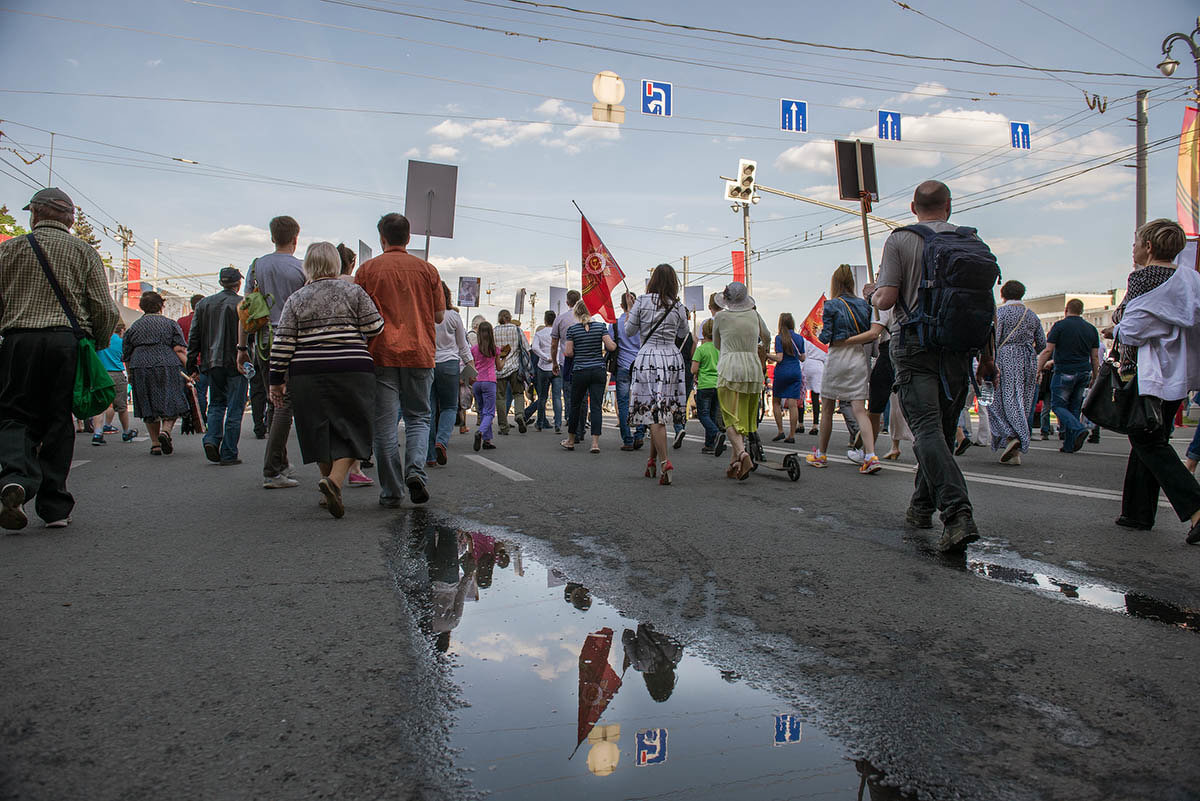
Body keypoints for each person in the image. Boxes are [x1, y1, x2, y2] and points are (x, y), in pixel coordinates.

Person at [872, 180, 995, 553]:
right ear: (949, 206)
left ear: (913, 207)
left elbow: (888, 297)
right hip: (958, 349)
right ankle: (921, 506)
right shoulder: (972, 242)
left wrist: (872, 293)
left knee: (926, 430)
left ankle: (957, 512)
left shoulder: (901, 240)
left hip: (914, 345)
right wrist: (987, 358)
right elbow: (983, 306)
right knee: (940, 430)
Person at [0, 187, 121, 530]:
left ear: (34, 215)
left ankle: (15, 479)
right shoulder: (83, 251)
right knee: (57, 418)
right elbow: (103, 308)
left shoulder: (8, 250)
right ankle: (54, 506)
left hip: (17, 341)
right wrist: (94, 344)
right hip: (65, 344)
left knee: (13, 415)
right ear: (70, 219)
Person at [268, 242, 383, 518]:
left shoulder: (296, 298)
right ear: (336, 264)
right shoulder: (354, 291)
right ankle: (334, 481)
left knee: (316, 428)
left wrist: (276, 380)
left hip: (307, 372)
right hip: (352, 369)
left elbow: (283, 341)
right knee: (356, 425)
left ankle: (329, 486)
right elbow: (374, 326)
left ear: (308, 265)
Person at [1109, 219, 1200, 543]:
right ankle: (1137, 513)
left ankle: (1196, 507)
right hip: (1182, 368)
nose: (1132, 249)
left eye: (1135, 243)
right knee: (1151, 432)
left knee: (1147, 438)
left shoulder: (1145, 277)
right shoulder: (1191, 278)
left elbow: (1131, 325)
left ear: (1148, 247)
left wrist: (1115, 328)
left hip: (1151, 370)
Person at [355, 213, 445, 507]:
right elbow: (439, 315)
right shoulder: (427, 270)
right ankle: (416, 471)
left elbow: (358, 317)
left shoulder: (367, 270)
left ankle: (391, 491)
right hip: (419, 352)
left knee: (384, 426)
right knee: (419, 417)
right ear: (408, 238)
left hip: (380, 353)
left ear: (382, 238)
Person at [238, 215, 307, 489]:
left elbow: (247, 309)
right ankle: (272, 470)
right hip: (293, 341)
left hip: (263, 341)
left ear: (271, 237)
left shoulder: (257, 266)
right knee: (285, 403)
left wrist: (242, 347)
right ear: (295, 238)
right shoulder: (301, 269)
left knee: (273, 399)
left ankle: (280, 462)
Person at [807, 266, 883, 475]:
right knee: (860, 409)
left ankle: (821, 454)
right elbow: (869, 332)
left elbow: (827, 338)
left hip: (838, 358)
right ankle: (870, 455)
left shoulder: (831, 305)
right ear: (851, 283)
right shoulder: (864, 305)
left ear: (835, 283)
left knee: (828, 409)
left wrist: (820, 332)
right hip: (858, 357)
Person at [627, 265, 690, 484]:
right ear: (674, 282)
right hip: (672, 358)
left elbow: (629, 331)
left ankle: (665, 462)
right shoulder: (678, 306)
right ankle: (651, 462)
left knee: (654, 413)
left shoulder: (642, 302)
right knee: (659, 410)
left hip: (648, 359)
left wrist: (630, 310)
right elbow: (684, 333)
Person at [186, 267, 249, 465]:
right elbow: (250, 333)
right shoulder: (242, 304)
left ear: (221, 283)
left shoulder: (204, 304)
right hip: (237, 362)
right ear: (238, 283)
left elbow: (194, 335)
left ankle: (212, 439)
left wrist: (191, 364)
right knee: (235, 407)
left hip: (211, 362)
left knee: (216, 404)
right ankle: (229, 452)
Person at [712, 281, 772, 481]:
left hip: (729, 366)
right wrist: (764, 348)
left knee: (729, 418)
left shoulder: (721, 317)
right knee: (744, 418)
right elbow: (767, 336)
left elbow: (717, 344)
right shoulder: (755, 315)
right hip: (752, 367)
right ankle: (735, 463)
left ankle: (743, 454)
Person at [986, 280, 1045, 465]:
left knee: (998, 400)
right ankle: (1015, 450)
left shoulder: (1000, 313)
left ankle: (1014, 435)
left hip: (1005, 358)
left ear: (1002, 295)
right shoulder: (1032, 316)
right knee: (1023, 400)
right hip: (1028, 359)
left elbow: (994, 340)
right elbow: (1042, 343)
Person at [123, 291, 189, 456]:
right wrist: (191, 368)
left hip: (140, 365)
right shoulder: (170, 324)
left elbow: (127, 353)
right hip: (166, 363)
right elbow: (179, 348)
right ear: (161, 305)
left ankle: (155, 444)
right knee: (172, 399)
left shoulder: (134, 327)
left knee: (148, 403)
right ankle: (165, 431)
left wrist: (131, 373)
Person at [1038, 299, 1100, 454]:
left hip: (1064, 371)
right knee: (1074, 408)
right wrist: (1095, 376)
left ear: (1066, 310)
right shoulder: (1091, 329)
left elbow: (1047, 350)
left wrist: (1038, 369)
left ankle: (1078, 429)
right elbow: (1095, 357)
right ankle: (1069, 445)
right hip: (1084, 372)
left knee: (1057, 405)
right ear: (1082, 311)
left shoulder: (1060, 326)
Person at [562, 300, 616, 453]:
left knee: (575, 406)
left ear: (576, 314)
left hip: (580, 371)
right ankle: (595, 444)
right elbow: (610, 346)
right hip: (598, 371)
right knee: (597, 407)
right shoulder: (600, 327)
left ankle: (571, 441)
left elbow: (568, 353)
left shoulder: (572, 330)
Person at [428, 281, 472, 467]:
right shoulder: (454, 316)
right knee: (448, 407)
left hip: (427, 363)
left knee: (428, 411)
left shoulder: (425, 314)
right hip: (450, 365)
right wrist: (470, 365)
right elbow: (463, 345)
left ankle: (429, 456)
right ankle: (441, 441)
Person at [92, 322, 137, 445]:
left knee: (99, 406)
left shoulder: (99, 339)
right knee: (122, 407)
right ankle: (126, 432)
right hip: (116, 374)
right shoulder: (121, 342)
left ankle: (97, 434)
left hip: (100, 374)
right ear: (121, 330)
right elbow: (126, 357)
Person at [612, 292, 646, 451]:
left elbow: (610, 345)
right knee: (641, 400)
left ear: (621, 305)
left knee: (624, 402)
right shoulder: (643, 321)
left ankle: (627, 439)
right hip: (641, 364)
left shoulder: (614, 324)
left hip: (623, 366)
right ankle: (639, 434)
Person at [551, 289, 584, 441]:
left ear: (567, 302)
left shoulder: (560, 319)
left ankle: (573, 430)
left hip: (567, 362)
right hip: (584, 361)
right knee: (583, 397)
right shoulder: (587, 318)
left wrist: (554, 362)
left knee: (570, 397)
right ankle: (581, 429)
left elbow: (554, 343)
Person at [768, 312, 806, 443]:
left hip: (782, 371)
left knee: (776, 401)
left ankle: (780, 431)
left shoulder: (779, 338)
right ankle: (792, 434)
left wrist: (767, 355)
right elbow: (803, 357)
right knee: (793, 404)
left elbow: (779, 358)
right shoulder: (799, 338)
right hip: (795, 371)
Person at [691, 318, 724, 454]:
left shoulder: (701, 349)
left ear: (703, 333)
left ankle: (716, 434)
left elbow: (693, 369)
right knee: (713, 415)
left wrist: (697, 373)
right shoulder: (720, 349)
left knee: (703, 415)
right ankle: (709, 444)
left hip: (705, 385)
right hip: (718, 385)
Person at [493, 309, 528, 436]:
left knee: (500, 397)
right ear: (510, 317)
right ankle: (519, 414)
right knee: (518, 393)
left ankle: (503, 426)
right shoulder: (517, 330)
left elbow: (492, 350)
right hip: (515, 368)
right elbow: (526, 347)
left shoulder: (494, 331)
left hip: (499, 368)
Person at [471, 320, 503, 451]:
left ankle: (487, 440)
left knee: (482, 410)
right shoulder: (494, 349)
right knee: (489, 412)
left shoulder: (473, 349)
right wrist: (504, 358)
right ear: (491, 333)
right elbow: (499, 367)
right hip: (489, 381)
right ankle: (481, 432)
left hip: (477, 382)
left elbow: (470, 366)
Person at [177, 294, 208, 419]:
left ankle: (187, 417)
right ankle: (201, 418)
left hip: (185, 361)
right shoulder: (208, 321)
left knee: (186, 391)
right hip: (203, 362)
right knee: (201, 392)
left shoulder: (181, 321)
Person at [531, 310, 562, 433]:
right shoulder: (558, 333)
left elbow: (534, 347)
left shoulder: (540, 333)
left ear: (545, 320)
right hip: (557, 366)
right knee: (557, 397)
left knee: (542, 397)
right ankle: (558, 423)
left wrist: (545, 357)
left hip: (543, 367)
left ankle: (539, 423)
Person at [673, 312, 695, 449]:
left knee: (675, 400)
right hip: (687, 368)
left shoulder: (672, 334)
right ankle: (682, 425)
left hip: (674, 367)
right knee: (684, 400)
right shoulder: (692, 336)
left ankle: (678, 428)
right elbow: (693, 355)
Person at [802, 342, 826, 435]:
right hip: (819, 365)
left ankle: (800, 423)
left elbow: (802, 353)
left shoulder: (807, 338)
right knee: (815, 396)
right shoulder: (822, 340)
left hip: (807, 363)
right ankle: (815, 424)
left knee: (802, 394)